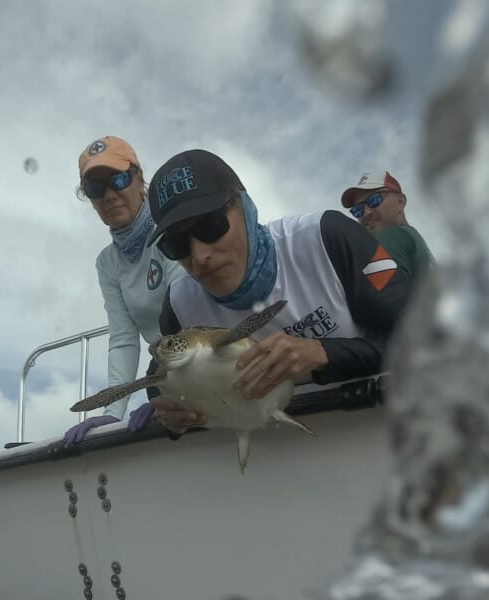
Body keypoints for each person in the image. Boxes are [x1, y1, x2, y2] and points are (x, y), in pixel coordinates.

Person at [137, 149, 413, 435]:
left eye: (211, 226)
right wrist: (169, 414)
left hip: (378, 426)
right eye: (177, 245)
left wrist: (324, 353)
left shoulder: (328, 238)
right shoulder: (179, 305)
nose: (200, 255)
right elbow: (156, 383)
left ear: (245, 207)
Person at [62, 136, 186, 445]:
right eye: (95, 188)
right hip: (164, 377)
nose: (109, 194)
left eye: (118, 178)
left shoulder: (172, 225)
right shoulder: (107, 263)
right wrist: (114, 411)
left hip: (200, 367)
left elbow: (187, 315)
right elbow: (122, 340)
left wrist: (180, 391)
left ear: (140, 179)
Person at [340, 169, 435, 286]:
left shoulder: (391, 237)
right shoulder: (412, 238)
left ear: (400, 201)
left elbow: (383, 300)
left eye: (374, 200)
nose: (366, 213)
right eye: (358, 210)